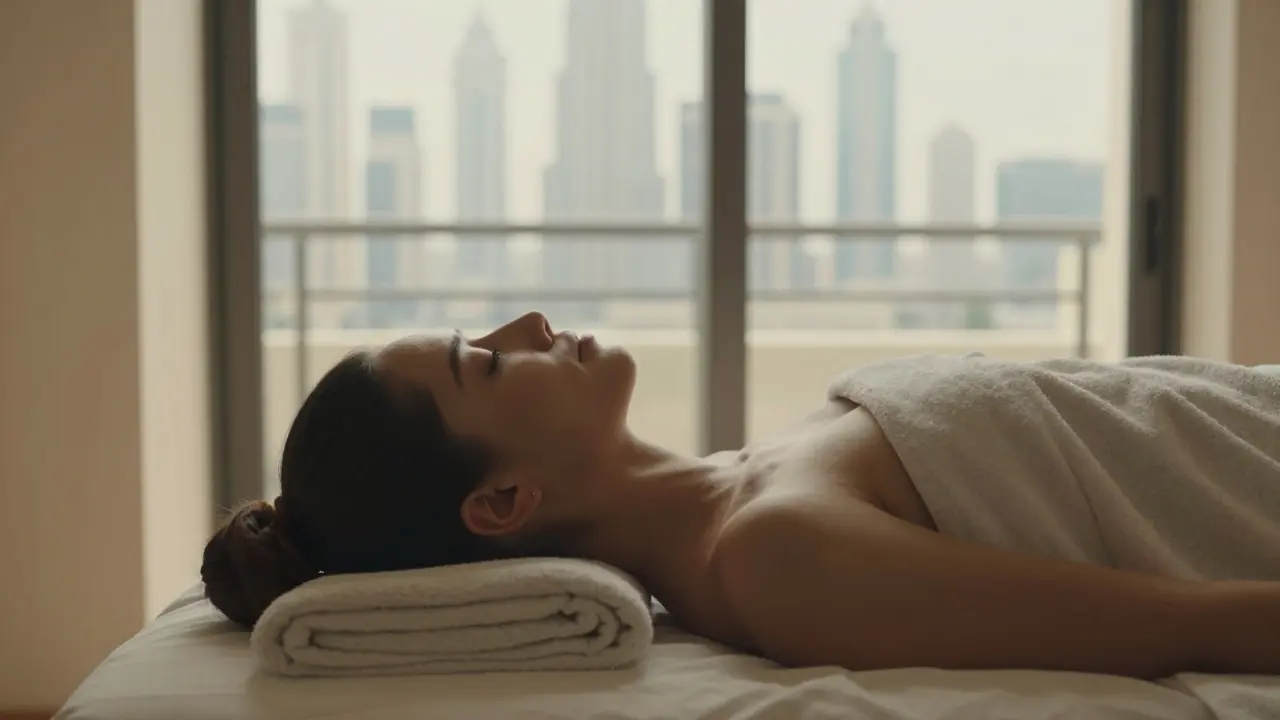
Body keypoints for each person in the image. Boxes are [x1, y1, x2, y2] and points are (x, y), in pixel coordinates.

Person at [201, 310, 1280, 679]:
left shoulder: (748, 477)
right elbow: (1200, 624)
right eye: (483, 362)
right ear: (501, 505)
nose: (525, 327)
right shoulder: (775, 558)